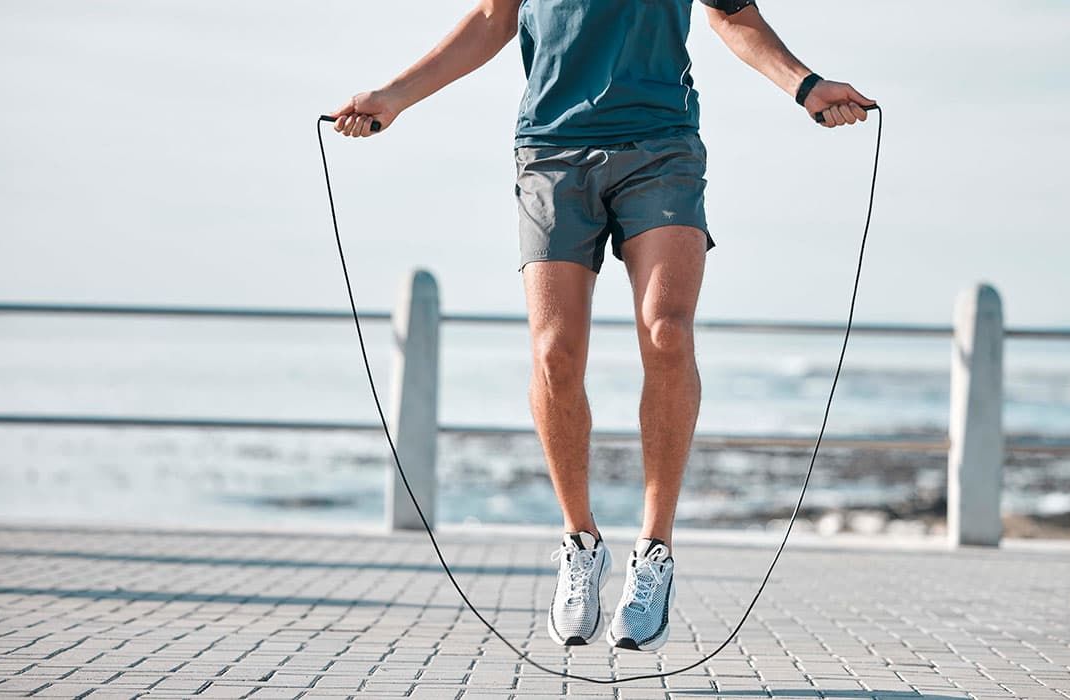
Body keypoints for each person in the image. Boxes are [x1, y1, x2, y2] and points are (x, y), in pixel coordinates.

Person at [331, 0, 874, 653]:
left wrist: (807, 87)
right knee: (555, 351)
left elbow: (734, 14)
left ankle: (655, 551)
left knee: (667, 330)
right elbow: (490, 19)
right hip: (551, 151)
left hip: (662, 144)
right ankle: (580, 543)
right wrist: (393, 97)